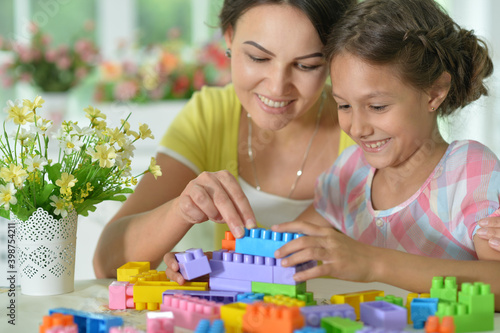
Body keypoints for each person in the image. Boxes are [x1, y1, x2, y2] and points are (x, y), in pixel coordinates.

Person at [93, 0, 357, 279]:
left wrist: (236, 267)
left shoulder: (364, 127)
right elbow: (106, 264)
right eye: (259, 58)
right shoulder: (210, 116)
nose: (278, 87)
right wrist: (180, 211)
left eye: (306, 65)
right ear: (229, 37)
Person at [272, 0, 500, 310]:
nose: (357, 127)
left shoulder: (469, 170)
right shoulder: (350, 173)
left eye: (377, 107)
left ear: (434, 92)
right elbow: (289, 250)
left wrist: (374, 263)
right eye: (344, 105)